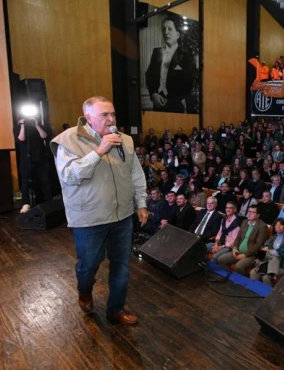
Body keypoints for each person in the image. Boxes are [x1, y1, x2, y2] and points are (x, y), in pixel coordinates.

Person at [50, 96, 148, 325]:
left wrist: (141, 202)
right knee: (88, 265)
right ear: (88, 118)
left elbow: (135, 173)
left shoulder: (124, 140)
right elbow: (69, 176)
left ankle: (115, 309)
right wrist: (99, 151)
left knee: (121, 265)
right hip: (89, 218)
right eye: (105, 115)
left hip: (122, 215)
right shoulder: (69, 140)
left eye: (113, 114)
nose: (111, 119)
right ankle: (84, 291)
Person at [145, 17, 197, 113]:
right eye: (163, 29)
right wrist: (154, 94)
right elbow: (149, 74)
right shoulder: (157, 52)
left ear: (177, 34)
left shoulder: (186, 56)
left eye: (169, 29)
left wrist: (172, 98)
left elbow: (189, 81)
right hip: (157, 103)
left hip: (177, 105)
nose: (166, 32)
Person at [14, 114, 53, 213]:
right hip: (26, 160)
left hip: (41, 158)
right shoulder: (17, 127)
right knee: (25, 183)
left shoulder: (39, 125)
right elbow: (21, 139)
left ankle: (48, 202)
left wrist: (36, 125)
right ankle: (26, 204)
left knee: (45, 181)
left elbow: (44, 136)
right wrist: (22, 125)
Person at [216, 205, 269, 275]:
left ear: (258, 215)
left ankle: (241, 283)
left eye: (253, 212)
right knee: (221, 259)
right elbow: (238, 238)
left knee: (239, 266)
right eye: (249, 211)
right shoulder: (244, 222)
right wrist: (234, 248)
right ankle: (229, 277)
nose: (250, 214)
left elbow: (258, 244)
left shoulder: (262, 226)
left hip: (251, 255)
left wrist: (245, 255)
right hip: (238, 251)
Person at [249, 218, 284, 286]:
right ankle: (254, 291)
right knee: (253, 272)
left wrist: (268, 251)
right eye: (276, 225)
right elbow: (267, 243)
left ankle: (269, 295)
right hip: (270, 261)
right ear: (274, 227)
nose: (278, 227)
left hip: (281, 264)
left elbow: (280, 253)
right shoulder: (274, 236)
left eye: (281, 225)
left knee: (266, 277)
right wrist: (266, 246)